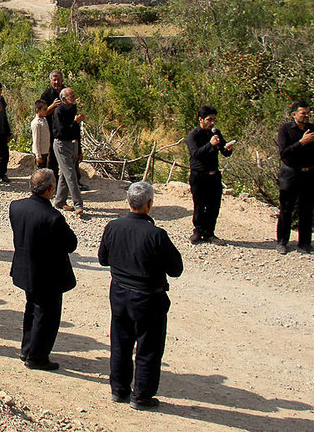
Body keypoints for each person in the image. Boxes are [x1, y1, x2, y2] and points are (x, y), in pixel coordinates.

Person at [98, 181, 183, 410]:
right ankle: (142, 396)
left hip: (119, 294)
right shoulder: (156, 234)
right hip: (148, 298)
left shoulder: (113, 227)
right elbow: (176, 269)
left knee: (120, 343)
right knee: (148, 348)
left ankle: (119, 390)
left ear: (128, 202)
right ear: (149, 204)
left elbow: (103, 259)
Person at [9, 169, 77, 371]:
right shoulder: (52, 217)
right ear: (50, 189)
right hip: (47, 275)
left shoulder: (16, 207)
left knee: (31, 310)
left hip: (26, 269)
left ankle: (27, 349)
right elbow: (71, 243)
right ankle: (37, 357)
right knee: (46, 317)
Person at [276, 100, 314, 255]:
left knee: (307, 211)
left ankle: (305, 244)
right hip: (291, 175)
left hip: (309, 175)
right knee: (286, 210)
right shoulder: (285, 130)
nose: (306, 116)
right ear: (294, 114)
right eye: (303, 113)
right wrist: (302, 142)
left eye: (308, 113)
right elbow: (284, 153)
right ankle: (282, 242)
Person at [187, 106, 234, 244]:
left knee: (214, 205)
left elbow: (223, 151)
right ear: (201, 119)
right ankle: (198, 231)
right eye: (209, 119)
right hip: (199, 175)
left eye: (214, 119)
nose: (212, 122)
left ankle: (209, 233)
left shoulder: (215, 133)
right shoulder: (193, 135)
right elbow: (195, 154)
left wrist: (228, 149)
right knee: (199, 204)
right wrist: (210, 144)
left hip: (214, 175)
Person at [51, 87, 85, 216]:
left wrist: (79, 150)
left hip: (73, 145)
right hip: (61, 145)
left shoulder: (73, 109)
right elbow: (61, 132)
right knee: (71, 174)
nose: (74, 98)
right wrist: (75, 122)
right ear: (64, 99)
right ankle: (78, 204)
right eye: (71, 96)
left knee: (65, 174)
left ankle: (59, 201)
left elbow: (76, 132)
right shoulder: (58, 112)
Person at [40, 71, 66, 179]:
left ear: (62, 80)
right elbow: (42, 113)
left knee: (68, 156)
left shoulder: (67, 92)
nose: (56, 82)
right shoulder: (46, 95)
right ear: (51, 81)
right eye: (54, 80)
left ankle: (73, 181)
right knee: (52, 156)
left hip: (65, 129)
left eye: (58, 79)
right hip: (51, 129)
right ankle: (53, 180)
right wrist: (53, 106)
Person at [31, 99, 51, 169]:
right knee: (39, 172)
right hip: (40, 152)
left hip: (45, 151)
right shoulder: (36, 123)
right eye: (44, 109)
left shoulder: (44, 120)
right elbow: (36, 139)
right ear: (37, 110)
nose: (46, 111)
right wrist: (38, 155)